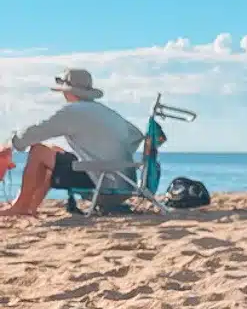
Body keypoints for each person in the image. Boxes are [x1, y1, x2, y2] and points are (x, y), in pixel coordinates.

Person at [0, 68, 142, 218]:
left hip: (104, 184)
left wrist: (10, 145)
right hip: (124, 183)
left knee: (38, 151)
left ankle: (21, 206)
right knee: (52, 151)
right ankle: (31, 207)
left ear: (67, 91)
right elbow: (136, 135)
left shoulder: (73, 111)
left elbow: (36, 131)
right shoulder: (105, 111)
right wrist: (112, 157)